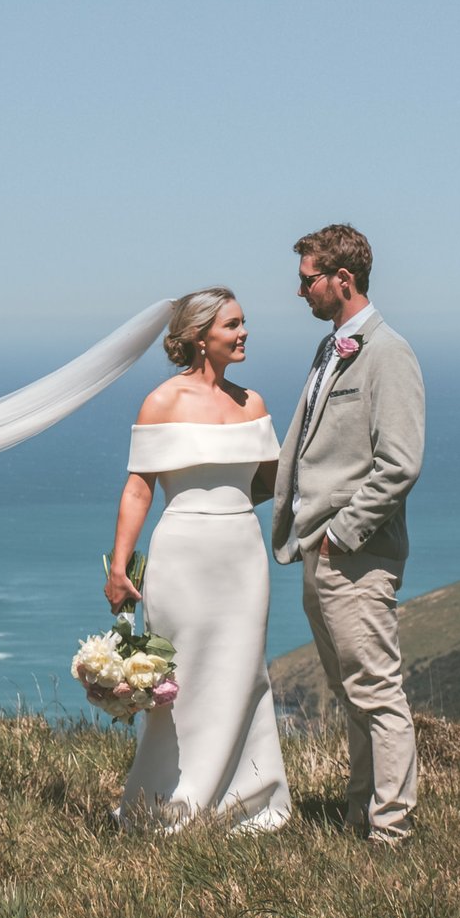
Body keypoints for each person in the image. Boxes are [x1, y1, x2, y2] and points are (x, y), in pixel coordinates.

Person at [102, 287, 293, 831]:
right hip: (181, 554)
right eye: (232, 324)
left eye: (243, 322)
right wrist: (120, 566)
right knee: (183, 677)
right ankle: (169, 800)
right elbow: (138, 490)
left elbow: (270, 485)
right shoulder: (162, 402)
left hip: (242, 555)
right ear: (199, 338)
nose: (243, 333)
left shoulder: (252, 404)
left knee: (242, 671)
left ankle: (252, 801)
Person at [271, 223, 424, 843]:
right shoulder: (332, 348)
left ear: (343, 279)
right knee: (350, 692)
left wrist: (343, 533)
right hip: (317, 548)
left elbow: (400, 462)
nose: (299, 291)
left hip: (355, 555)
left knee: (377, 692)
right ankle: (360, 812)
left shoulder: (388, 353)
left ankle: (391, 832)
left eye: (307, 280)